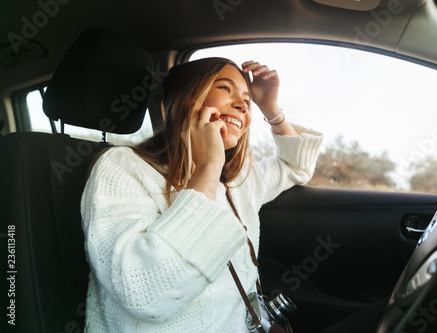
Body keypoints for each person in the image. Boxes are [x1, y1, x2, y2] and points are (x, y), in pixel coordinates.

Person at [81, 57, 323, 332]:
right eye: (225, 88)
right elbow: (144, 294)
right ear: (180, 103)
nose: (243, 105)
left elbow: (296, 166)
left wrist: (270, 108)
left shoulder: (237, 182)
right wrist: (208, 166)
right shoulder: (123, 167)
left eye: (247, 99)